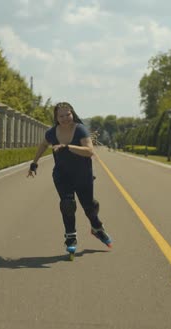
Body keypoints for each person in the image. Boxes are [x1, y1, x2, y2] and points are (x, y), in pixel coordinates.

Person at [27, 102, 112, 256]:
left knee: (89, 207)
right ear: (56, 117)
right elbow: (43, 144)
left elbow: (89, 151)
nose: (65, 118)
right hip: (62, 175)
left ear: (72, 113)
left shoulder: (80, 130)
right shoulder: (52, 132)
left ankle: (97, 227)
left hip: (83, 175)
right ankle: (70, 237)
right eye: (61, 116)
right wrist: (34, 163)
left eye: (68, 114)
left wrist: (67, 147)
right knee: (67, 204)